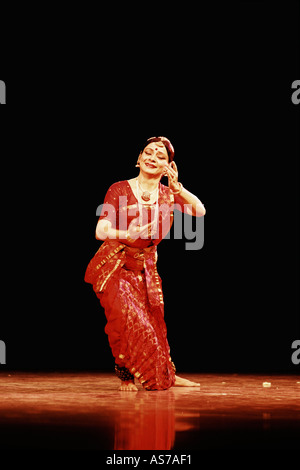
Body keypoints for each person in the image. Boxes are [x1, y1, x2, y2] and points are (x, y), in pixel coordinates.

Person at [85, 137, 206, 391]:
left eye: (160, 156)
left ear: (168, 167)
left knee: (154, 325)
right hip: (115, 265)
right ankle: (127, 372)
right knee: (125, 320)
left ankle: (167, 374)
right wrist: (124, 234)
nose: (153, 157)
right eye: (148, 152)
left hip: (146, 269)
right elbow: (101, 229)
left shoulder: (168, 194)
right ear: (138, 158)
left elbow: (199, 211)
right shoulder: (119, 189)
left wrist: (178, 188)